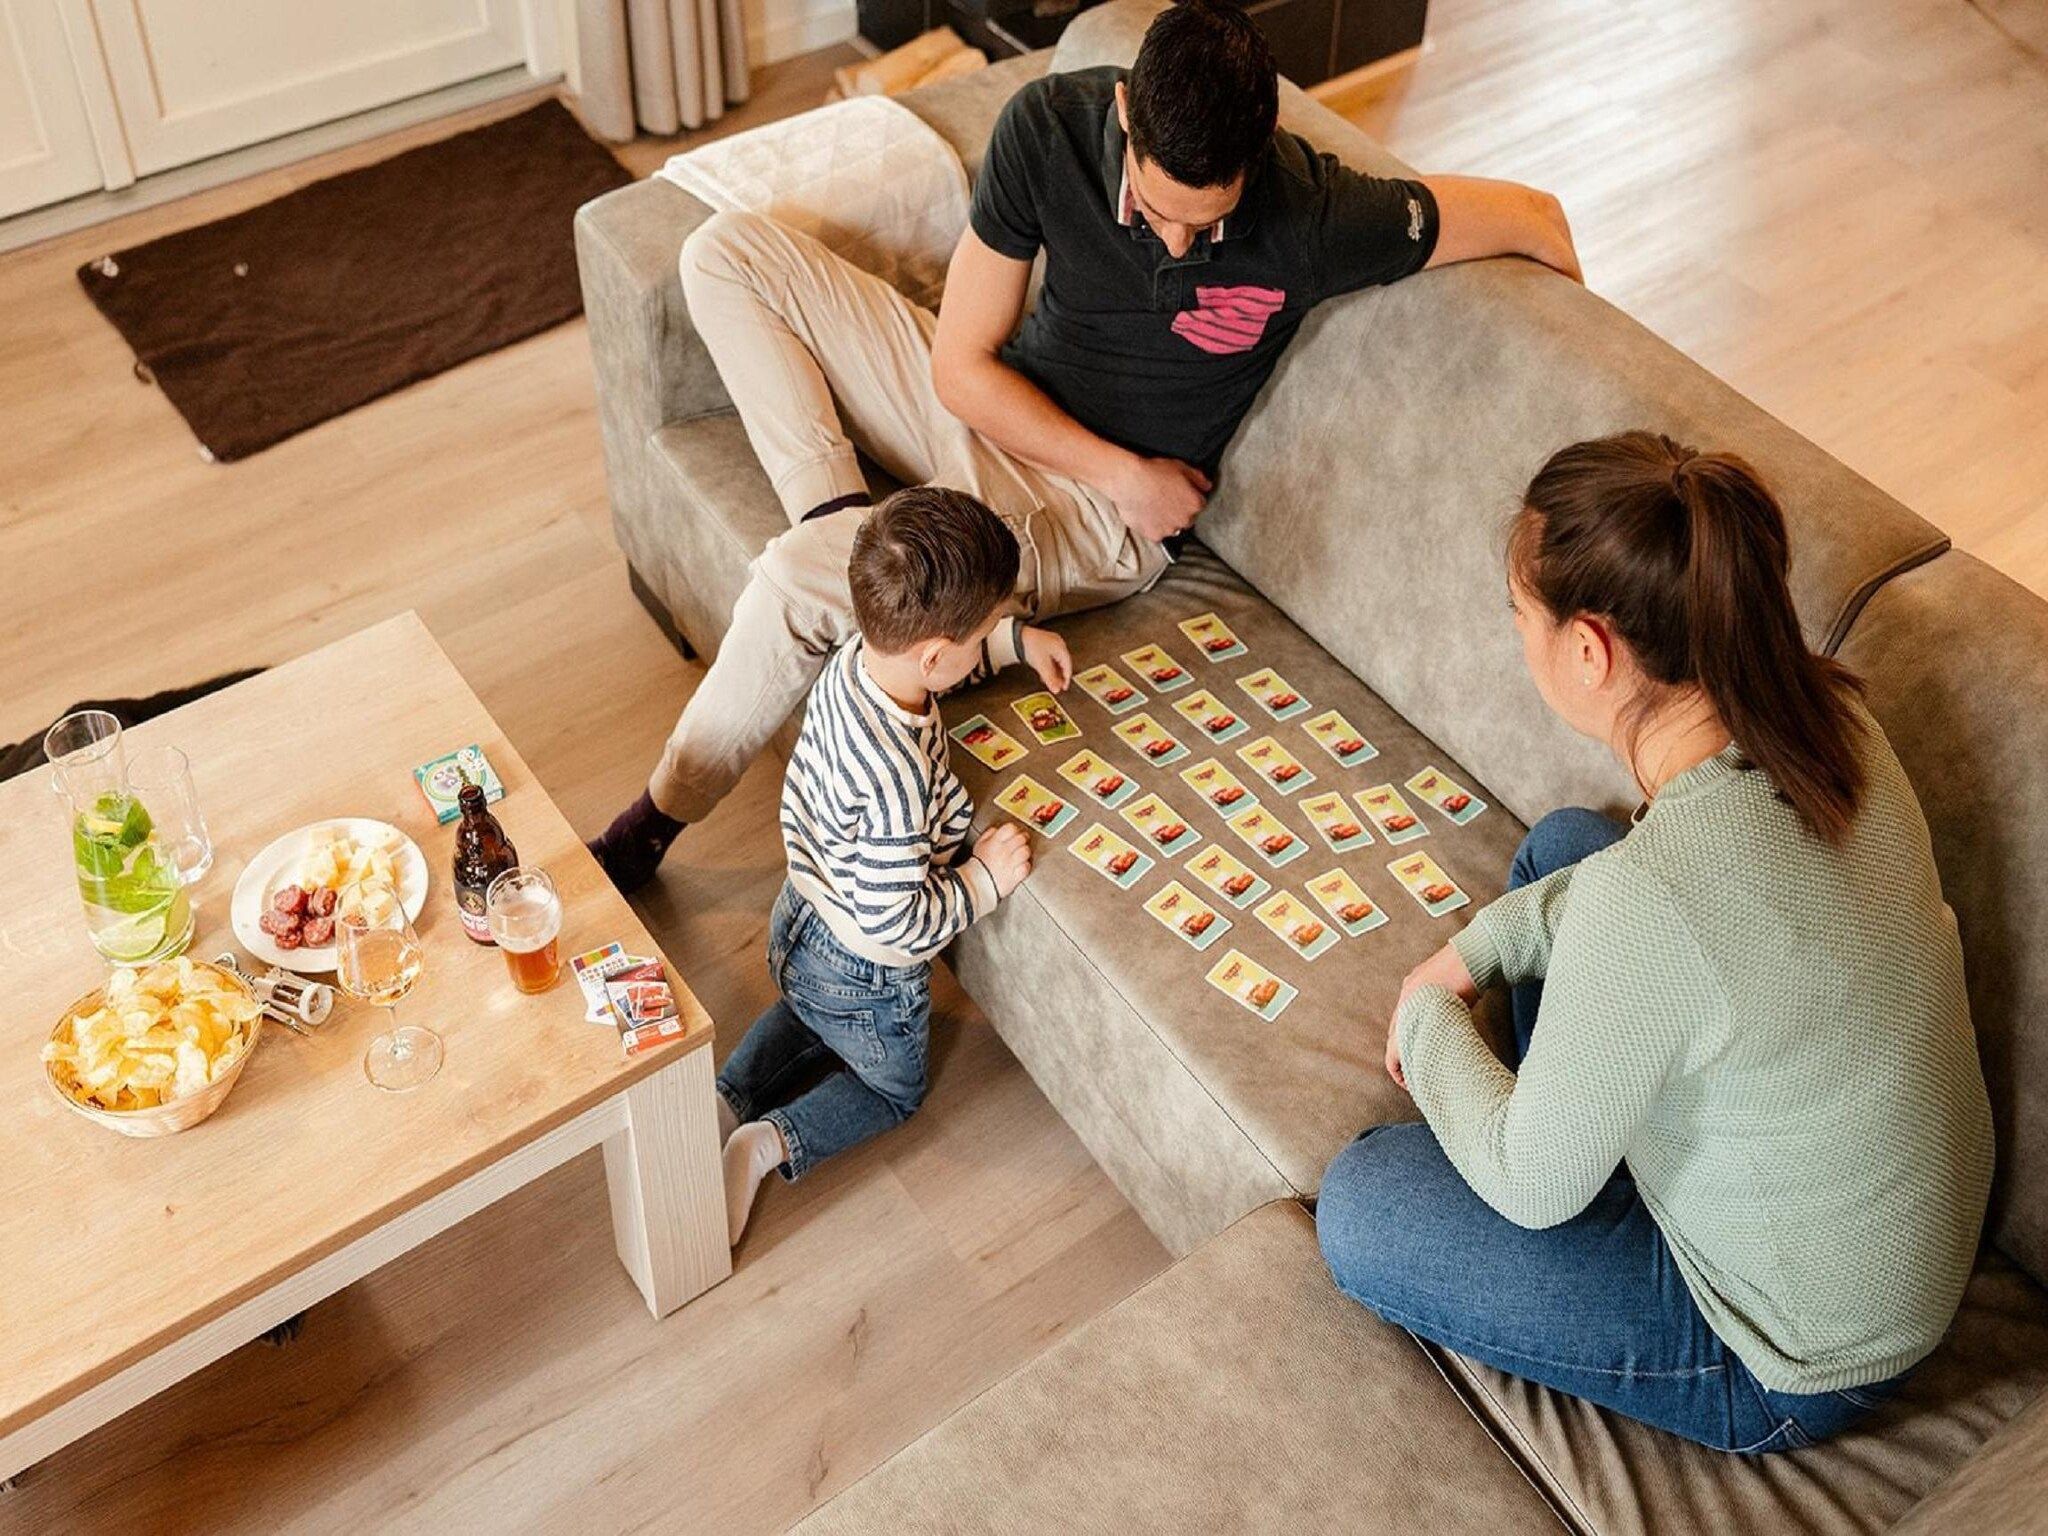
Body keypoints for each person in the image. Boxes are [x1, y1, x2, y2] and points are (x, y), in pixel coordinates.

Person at [588, 0, 1582, 890]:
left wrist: (1574, 374)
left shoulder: (1318, 215)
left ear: (1263, 136)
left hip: (1093, 526)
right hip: (1030, 430)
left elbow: (1534, 214)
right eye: (1157, 211)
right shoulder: (1048, 129)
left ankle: (657, 817)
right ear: (1122, 119)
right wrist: (1125, 469)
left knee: (794, 580)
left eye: (1211, 219)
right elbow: (959, 369)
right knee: (721, 253)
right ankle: (858, 531)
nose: (1180, 247)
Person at [1316, 432, 1995, 1453]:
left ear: (1587, 650)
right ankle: (1595, 1114)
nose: (1516, 637)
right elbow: (1686, 909)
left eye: (1520, 618)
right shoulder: (1835, 723)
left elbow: (1529, 1186)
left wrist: (1424, 1018)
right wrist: (1485, 943)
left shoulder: (1652, 905)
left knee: (1361, 1200)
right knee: (1561, 849)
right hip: (1896, 1240)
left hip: (1794, 1354)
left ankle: (1595, 1141)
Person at [716, 487, 1043, 1246]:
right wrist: (982, 882)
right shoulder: (895, 784)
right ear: (936, 654)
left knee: (807, 1012)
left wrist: (1015, 644)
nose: (989, 636)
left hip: (800, 915)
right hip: (867, 964)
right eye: (986, 630)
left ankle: (730, 1093)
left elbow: (941, 654)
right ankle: (768, 1140)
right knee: (892, 1090)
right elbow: (896, 916)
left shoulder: (855, 659)